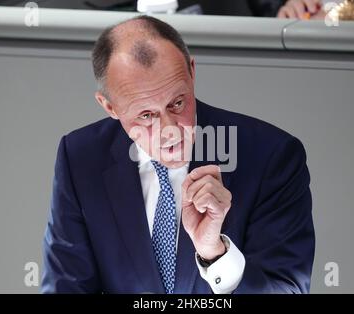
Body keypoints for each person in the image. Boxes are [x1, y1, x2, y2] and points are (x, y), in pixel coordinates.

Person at [41, 15, 315, 294]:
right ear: (109, 106)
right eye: (146, 115)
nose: (169, 130)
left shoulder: (271, 156)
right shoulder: (79, 158)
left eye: (177, 103)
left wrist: (215, 255)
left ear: (192, 71)